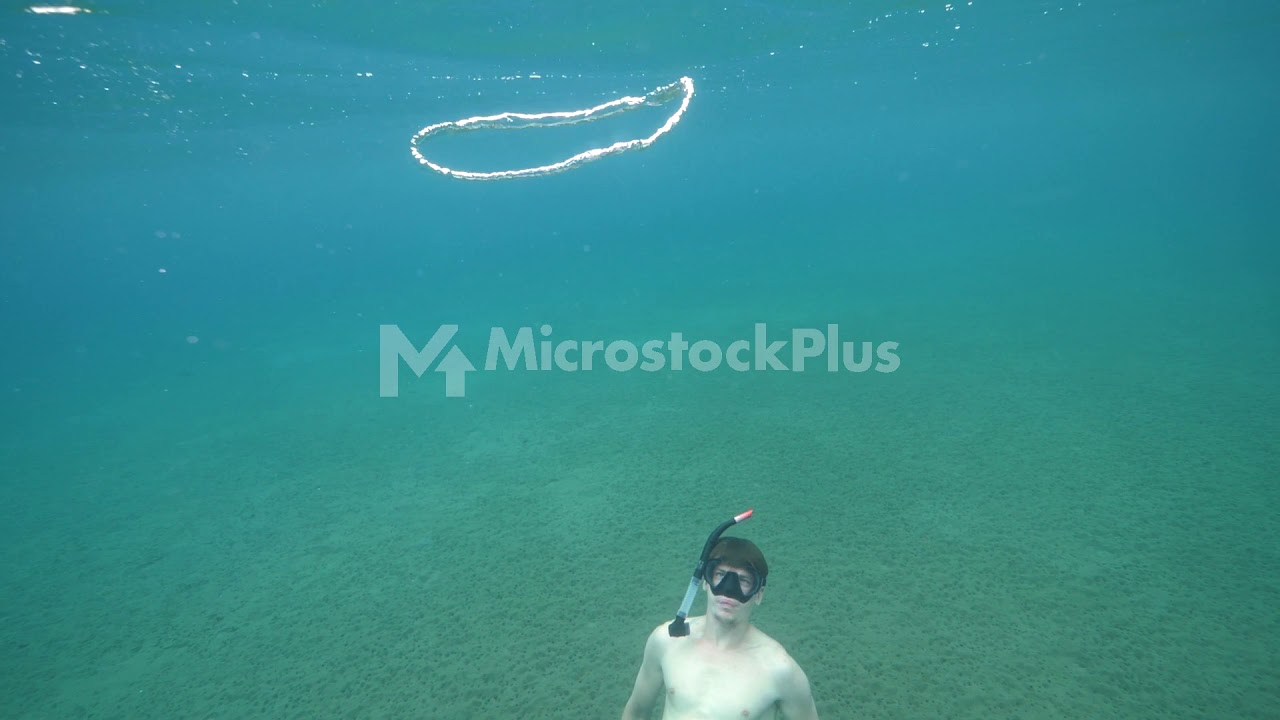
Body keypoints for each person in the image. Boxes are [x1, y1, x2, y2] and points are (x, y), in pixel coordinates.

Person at [620, 537, 820, 719]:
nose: (729, 590)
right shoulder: (666, 640)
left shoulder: (780, 670)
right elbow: (636, 711)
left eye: (744, 580)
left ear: (759, 594)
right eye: (720, 574)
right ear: (705, 582)